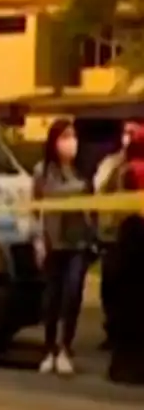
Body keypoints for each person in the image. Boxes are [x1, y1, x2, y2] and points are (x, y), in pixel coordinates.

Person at [32, 119, 95, 376]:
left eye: (74, 136)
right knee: (52, 298)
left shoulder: (82, 172)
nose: (71, 143)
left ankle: (65, 348)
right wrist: (38, 240)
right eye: (65, 137)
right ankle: (49, 349)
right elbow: (34, 208)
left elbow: (92, 206)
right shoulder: (42, 171)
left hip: (78, 242)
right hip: (53, 242)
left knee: (72, 293)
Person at [93, 119, 139, 349]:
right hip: (113, 236)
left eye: (134, 133)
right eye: (126, 132)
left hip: (136, 236)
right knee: (111, 287)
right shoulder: (112, 163)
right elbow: (100, 189)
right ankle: (113, 330)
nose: (129, 137)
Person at [107, 125, 144, 384]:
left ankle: (123, 367)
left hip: (127, 238)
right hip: (134, 238)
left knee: (127, 311)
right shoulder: (129, 170)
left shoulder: (124, 169)